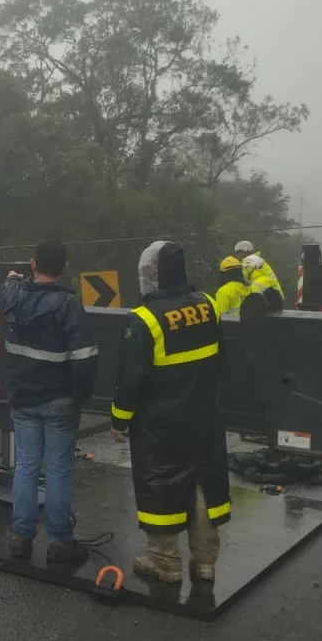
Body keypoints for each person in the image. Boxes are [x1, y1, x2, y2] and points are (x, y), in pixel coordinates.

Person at [112, 241, 230, 584]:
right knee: (201, 484)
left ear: (154, 273)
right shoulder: (208, 305)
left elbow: (130, 380)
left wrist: (120, 420)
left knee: (161, 484)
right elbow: (219, 359)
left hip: (160, 425)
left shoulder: (145, 319)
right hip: (203, 416)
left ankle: (165, 561)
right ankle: (205, 562)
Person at [0, 239, 99, 563]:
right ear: (65, 268)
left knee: (26, 465)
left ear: (32, 264)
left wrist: (15, 278)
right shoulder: (67, 305)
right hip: (59, 400)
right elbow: (85, 357)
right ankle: (59, 542)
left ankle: (20, 537)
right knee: (57, 469)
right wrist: (79, 394)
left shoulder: (13, 297)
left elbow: (7, 289)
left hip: (22, 398)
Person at [233, 240, 285, 311]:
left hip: (266, 299)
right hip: (277, 298)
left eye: (238, 253)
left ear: (244, 252)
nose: (237, 256)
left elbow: (242, 279)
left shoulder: (248, 261)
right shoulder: (258, 260)